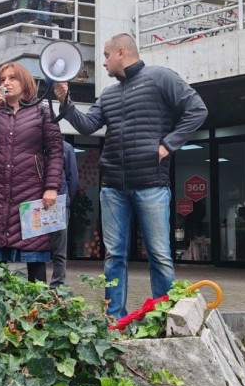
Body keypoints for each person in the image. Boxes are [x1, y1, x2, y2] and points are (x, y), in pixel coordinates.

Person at [54, 33, 207, 319]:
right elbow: (87, 126)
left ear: (121, 52)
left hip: (152, 183)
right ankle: (115, 319)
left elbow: (197, 110)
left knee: (159, 256)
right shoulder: (109, 94)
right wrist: (66, 103)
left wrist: (168, 144)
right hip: (112, 187)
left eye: (105, 55)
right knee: (114, 257)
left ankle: (164, 318)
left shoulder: (161, 77)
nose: (103, 62)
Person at [0, 62, 64, 283]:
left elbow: (55, 151)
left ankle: (36, 310)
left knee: (35, 256)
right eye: (2, 79)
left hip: (31, 193)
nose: (6, 83)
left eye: (12, 78)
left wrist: (51, 187)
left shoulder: (42, 112)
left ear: (25, 83)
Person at [49, 140, 79, 288]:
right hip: (36, 205)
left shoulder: (66, 148)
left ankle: (57, 286)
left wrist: (65, 200)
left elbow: (73, 179)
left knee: (59, 250)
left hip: (59, 204)